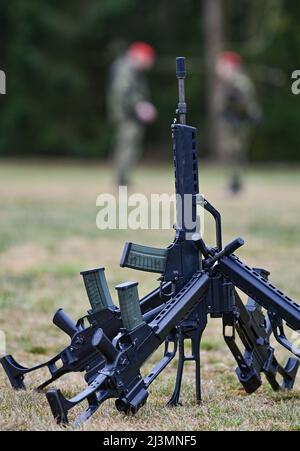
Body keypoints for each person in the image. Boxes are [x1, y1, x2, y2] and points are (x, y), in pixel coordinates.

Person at [107, 42, 157, 186]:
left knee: (127, 146)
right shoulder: (127, 69)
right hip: (127, 115)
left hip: (127, 114)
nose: (149, 63)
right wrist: (139, 106)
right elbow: (124, 91)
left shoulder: (128, 68)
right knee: (127, 146)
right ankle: (122, 180)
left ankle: (123, 179)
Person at [216, 51, 262, 194]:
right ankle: (233, 183)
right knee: (230, 153)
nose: (218, 68)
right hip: (230, 122)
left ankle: (235, 185)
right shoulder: (228, 82)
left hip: (238, 123)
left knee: (235, 153)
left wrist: (240, 117)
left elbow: (247, 104)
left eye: (222, 65)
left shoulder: (239, 82)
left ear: (230, 65)